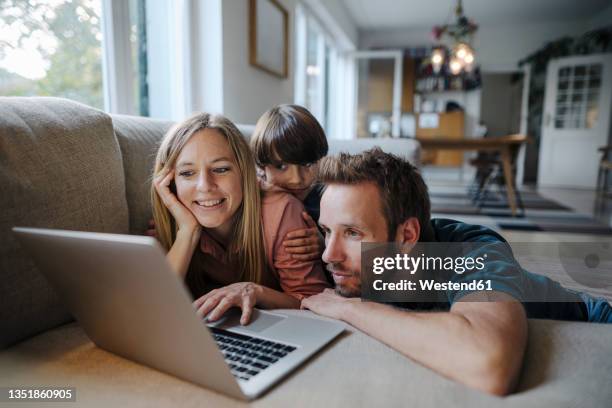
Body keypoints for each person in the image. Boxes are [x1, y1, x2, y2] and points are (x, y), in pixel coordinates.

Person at [301, 148, 612, 396]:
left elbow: (487, 363)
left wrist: (348, 309)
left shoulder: (472, 251)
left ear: (407, 236)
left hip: (593, 319)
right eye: (326, 231)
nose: (329, 254)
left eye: (353, 233)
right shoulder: (351, 260)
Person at [151, 113, 329, 325]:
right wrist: (187, 233)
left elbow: (317, 304)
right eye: (187, 173)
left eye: (221, 169)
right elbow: (151, 311)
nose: (205, 186)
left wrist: (325, 242)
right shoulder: (172, 218)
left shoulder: (287, 210)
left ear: (245, 172)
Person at [250, 104, 329, 263]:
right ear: (261, 168)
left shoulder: (330, 198)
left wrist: (327, 246)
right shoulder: (250, 199)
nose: (296, 179)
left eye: (308, 164)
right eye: (281, 166)